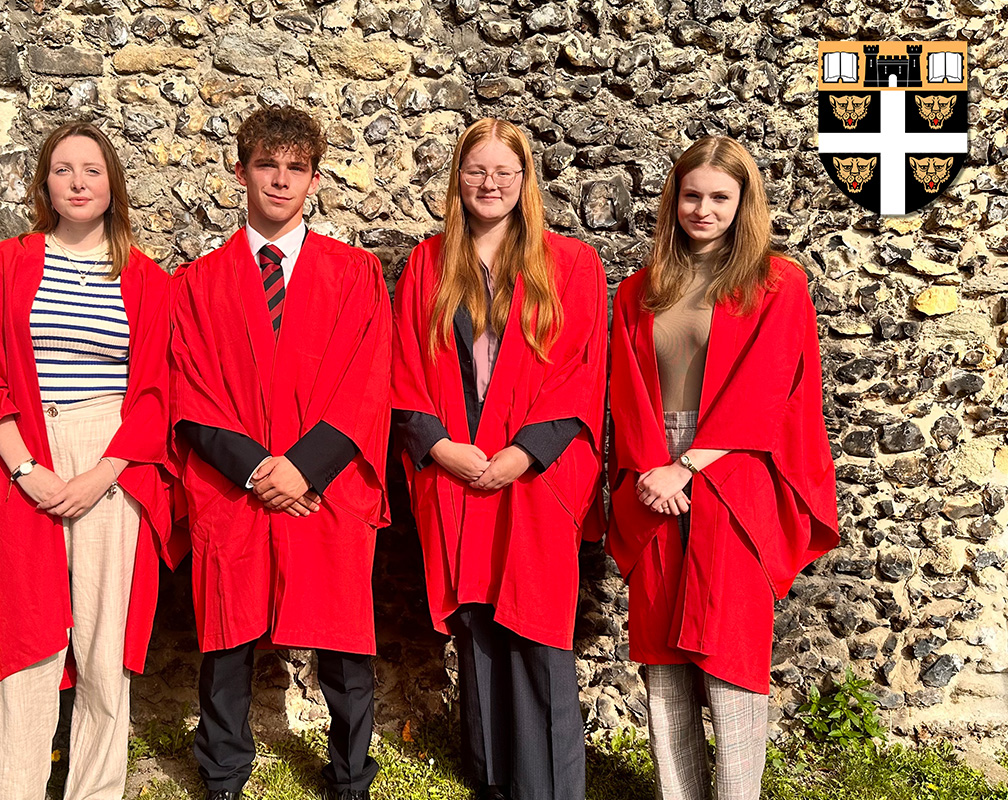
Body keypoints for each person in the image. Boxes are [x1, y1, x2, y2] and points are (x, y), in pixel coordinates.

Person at [0, 121, 180, 799]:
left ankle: (95, 791)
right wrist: (25, 469)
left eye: (92, 170)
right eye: (63, 170)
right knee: (27, 642)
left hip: (113, 459)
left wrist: (104, 472)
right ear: (44, 184)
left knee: (104, 646)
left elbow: (156, 393)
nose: (77, 182)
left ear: (112, 185)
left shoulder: (147, 281)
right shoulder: (0, 266)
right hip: (21, 453)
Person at [606, 135, 839, 800]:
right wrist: (655, 468)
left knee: (730, 655)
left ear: (743, 203)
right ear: (673, 199)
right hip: (654, 474)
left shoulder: (776, 283)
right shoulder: (640, 290)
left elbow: (770, 388)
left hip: (734, 472)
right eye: (691, 195)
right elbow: (629, 390)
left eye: (719, 197)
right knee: (663, 663)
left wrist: (691, 466)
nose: (703, 209)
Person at [170, 106, 391, 800]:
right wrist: (259, 470)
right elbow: (187, 387)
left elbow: (370, 377)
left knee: (345, 638)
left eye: (295, 168)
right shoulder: (197, 284)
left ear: (315, 179)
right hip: (234, 484)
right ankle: (224, 772)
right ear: (240, 172)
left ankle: (351, 774)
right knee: (227, 639)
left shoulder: (355, 275)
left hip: (326, 484)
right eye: (267, 165)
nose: (280, 180)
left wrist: (304, 467)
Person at [391, 118, 608, 800]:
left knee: (539, 629)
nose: (490, 184)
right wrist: (441, 448)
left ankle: (547, 788)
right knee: (477, 623)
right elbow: (400, 370)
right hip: (457, 474)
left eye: (504, 172)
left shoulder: (570, 264)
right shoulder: (428, 264)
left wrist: (524, 453)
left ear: (525, 182)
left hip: (535, 477)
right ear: (458, 178)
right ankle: (492, 780)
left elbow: (582, 371)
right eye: (477, 170)